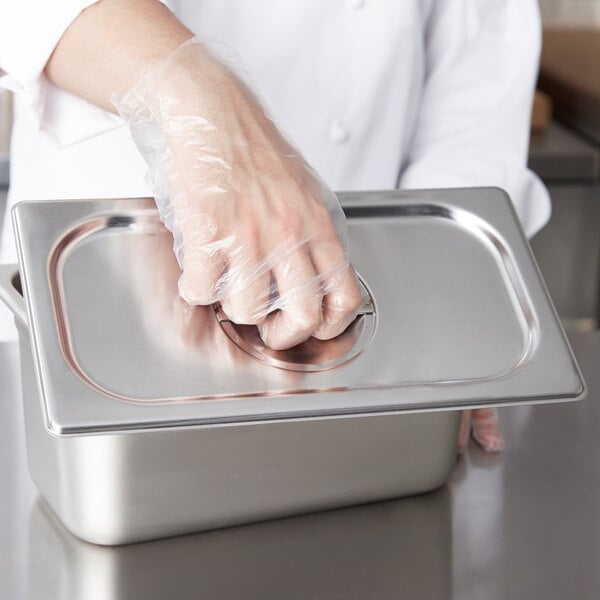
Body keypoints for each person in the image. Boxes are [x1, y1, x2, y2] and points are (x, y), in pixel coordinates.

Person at [0, 0, 550, 452]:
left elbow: (474, 93)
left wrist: (453, 309)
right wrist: (205, 105)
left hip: (364, 355)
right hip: (94, 316)